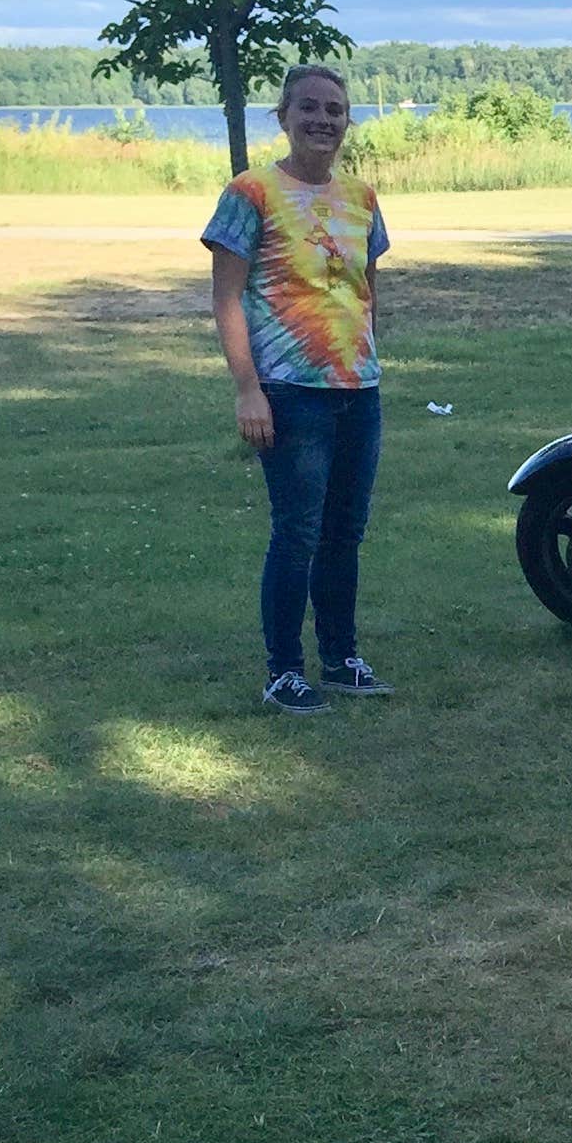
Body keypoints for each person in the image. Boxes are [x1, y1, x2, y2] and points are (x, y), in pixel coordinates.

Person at [203, 65, 396, 712]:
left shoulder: (363, 199)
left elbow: (366, 290)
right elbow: (226, 296)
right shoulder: (251, 192)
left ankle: (341, 658)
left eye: (335, 110)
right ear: (283, 116)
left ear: (348, 121)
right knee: (298, 533)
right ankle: (284, 669)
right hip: (290, 391)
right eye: (308, 108)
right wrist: (247, 389)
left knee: (346, 533)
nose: (322, 119)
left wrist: (369, 361)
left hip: (357, 391)